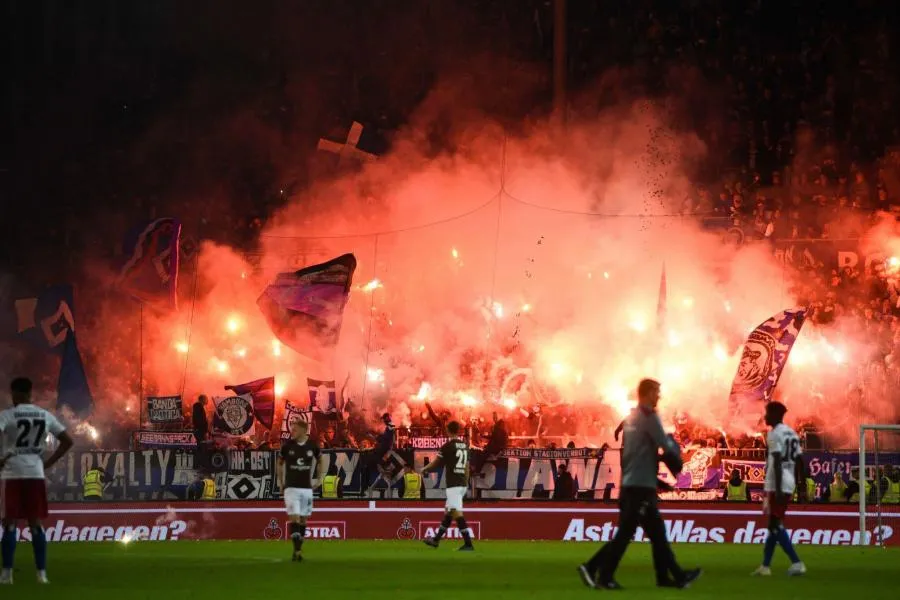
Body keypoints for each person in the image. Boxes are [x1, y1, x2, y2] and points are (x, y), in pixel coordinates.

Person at [577, 378, 701, 590]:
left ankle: (670, 577)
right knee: (628, 533)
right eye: (656, 392)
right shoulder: (649, 417)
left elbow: (636, 456)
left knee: (656, 534)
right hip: (641, 487)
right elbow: (666, 446)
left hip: (633, 483)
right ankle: (599, 572)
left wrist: (657, 481)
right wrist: (674, 452)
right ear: (646, 393)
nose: (658, 397)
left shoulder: (631, 419)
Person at [0, 377, 74, 585]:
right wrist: (48, 462)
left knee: (10, 524)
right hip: (35, 472)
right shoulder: (45, 415)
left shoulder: (7, 415)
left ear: (15, 394)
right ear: (30, 393)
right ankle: (41, 574)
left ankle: (7, 574)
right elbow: (67, 441)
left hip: (12, 472)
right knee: (35, 524)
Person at [751, 401, 807, 576]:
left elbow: (776, 462)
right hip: (788, 482)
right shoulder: (792, 433)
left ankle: (797, 562)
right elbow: (799, 461)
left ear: (775, 415)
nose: (765, 417)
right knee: (773, 525)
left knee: (775, 525)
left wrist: (779, 489)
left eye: (767, 413)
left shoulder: (774, 434)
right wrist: (801, 485)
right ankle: (765, 566)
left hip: (778, 484)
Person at [420, 421, 474, 551]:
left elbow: (436, 463)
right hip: (462, 483)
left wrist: (424, 469)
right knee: (449, 512)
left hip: (453, 483)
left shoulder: (448, 446)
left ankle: (468, 544)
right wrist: (466, 482)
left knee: (456, 512)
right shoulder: (465, 446)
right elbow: (467, 467)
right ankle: (436, 540)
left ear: (448, 430)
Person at [277, 420, 324, 562]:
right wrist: (281, 482)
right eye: (292, 429)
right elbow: (279, 464)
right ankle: (297, 551)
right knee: (294, 517)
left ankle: (297, 549)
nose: (293, 432)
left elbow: (321, 460)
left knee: (303, 520)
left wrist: (320, 478)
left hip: (307, 489)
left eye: (295, 429)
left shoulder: (312, 446)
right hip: (291, 488)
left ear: (304, 430)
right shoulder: (287, 446)